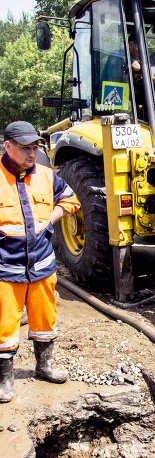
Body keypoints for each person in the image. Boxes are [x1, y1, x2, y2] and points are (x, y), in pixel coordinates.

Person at [0, 121, 81, 403]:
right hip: (6, 269)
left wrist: (51, 219)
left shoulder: (47, 176)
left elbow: (71, 200)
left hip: (42, 266)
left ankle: (44, 366)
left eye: (35, 147)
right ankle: (4, 380)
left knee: (45, 320)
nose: (32, 153)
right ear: (8, 146)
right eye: (25, 148)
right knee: (5, 328)